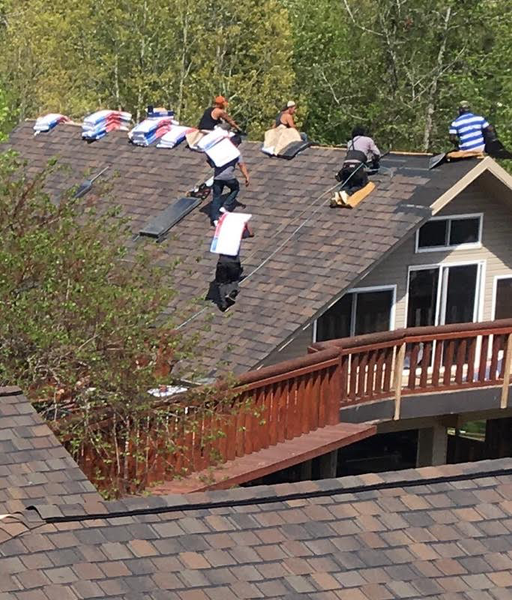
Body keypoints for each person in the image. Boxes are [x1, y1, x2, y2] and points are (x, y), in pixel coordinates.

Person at [209, 135, 250, 226]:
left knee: (216, 197)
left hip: (217, 177)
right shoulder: (236, 153)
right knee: (235, 188)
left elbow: (211, 161)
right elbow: (241, 165)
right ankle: (226, 206)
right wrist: (246, 176)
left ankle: (215, 219)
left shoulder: (221, 150)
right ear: (236, 144)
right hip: (228, 177)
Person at [215, 223, 253, 311]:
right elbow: (251, 234)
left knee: (221, 283)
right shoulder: (236, 234)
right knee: (234, 279)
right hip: (233, 261)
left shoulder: (221, 235)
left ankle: (223, 303)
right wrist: (246, 224)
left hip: (222, 262)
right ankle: (232, 293)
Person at [336, 126, 381, 193]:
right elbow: (377, 153)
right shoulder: (368, 140)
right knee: (361, 184)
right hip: (357, 166)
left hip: (346, 167)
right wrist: (375, 161)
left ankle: (342, 193)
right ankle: (349, 193)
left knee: (347, 183)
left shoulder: (350, 142)